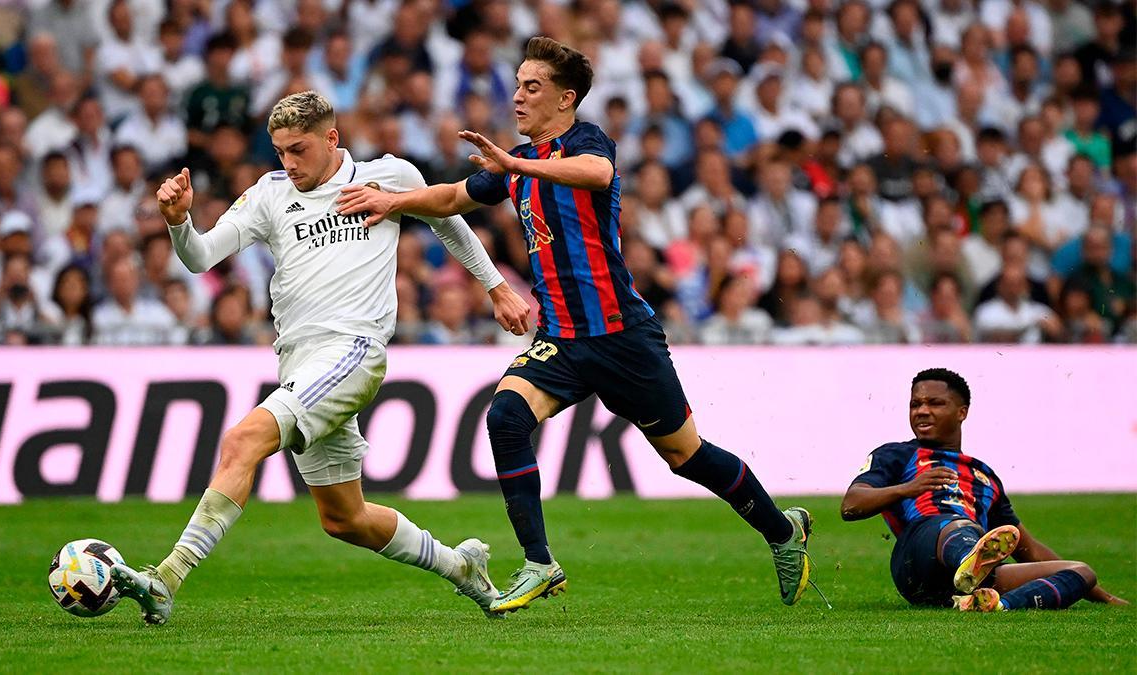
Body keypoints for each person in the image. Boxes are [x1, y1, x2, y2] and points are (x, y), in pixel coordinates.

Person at [339, 37, 817, 614]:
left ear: (566, 99)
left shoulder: (584, 142)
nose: (517, 96)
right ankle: (540, 563)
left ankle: (782, 531)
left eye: (532, 87)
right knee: (506, 417)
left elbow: (597, 172)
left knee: (686, 456)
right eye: (516, 85)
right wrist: (393, 202)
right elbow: (453, 196)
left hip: (622, 337)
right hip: (562, 339)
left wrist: (516, 162)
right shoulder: (515, 166)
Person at [109, 91, 532, 625]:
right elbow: (200, 257)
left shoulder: (390, 176)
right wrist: (178, 221)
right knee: (345, 518)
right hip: (299, 361)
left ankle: (166, 579)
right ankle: (461, 568)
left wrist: (497, 289)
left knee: (242, 440)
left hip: (354, 349)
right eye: (280, 151)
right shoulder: (269, 194)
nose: (288, 163)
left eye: (298, 149)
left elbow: (448, 219)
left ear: (332, 138)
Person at [841, 368, 1127, 611]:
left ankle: (994, 603)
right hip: (917, 563)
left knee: (1081, 571)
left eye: (935, 403)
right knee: (955, 524)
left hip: (955, 586)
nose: (922, 411)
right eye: (915, 404)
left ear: (962, 412)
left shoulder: (985, 477)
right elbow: (851, 505)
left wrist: (1102, 595)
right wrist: (906, 489)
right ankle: (970, 561)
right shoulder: (896, 455)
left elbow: (1029, 550)